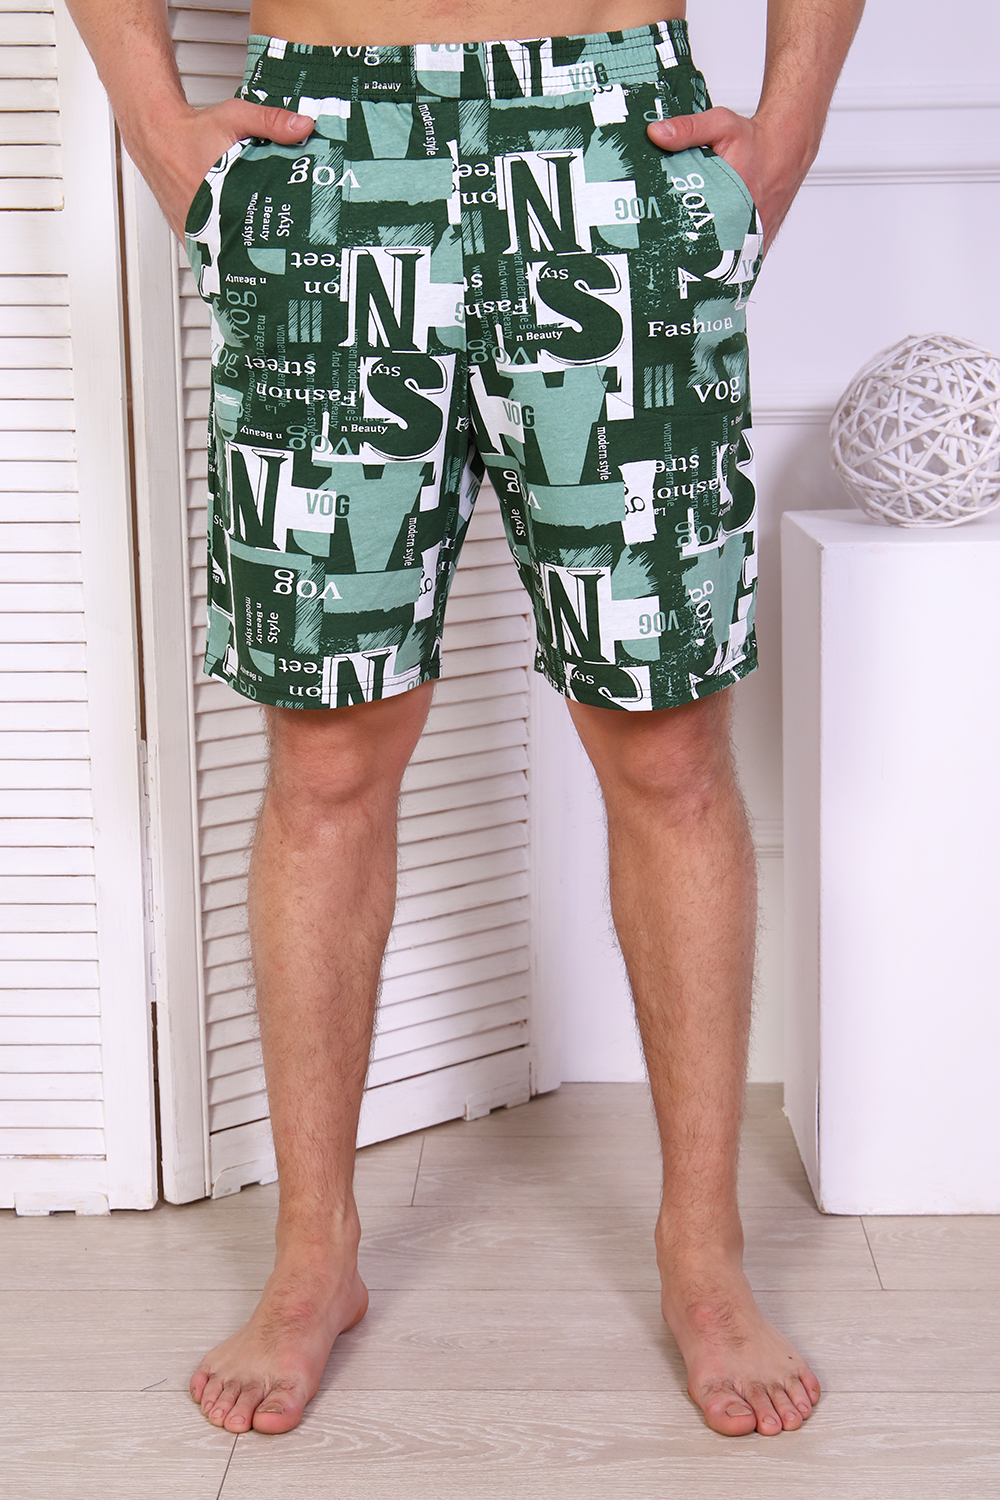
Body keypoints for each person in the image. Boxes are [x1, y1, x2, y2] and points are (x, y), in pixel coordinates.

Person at [66, 0, 864, 1439]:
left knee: (668, 745)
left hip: (612, 137)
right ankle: (315, 1252)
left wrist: (791, 125)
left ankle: (704, 1249)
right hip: (325, 150)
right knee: (327, 752)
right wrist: (150, 116)